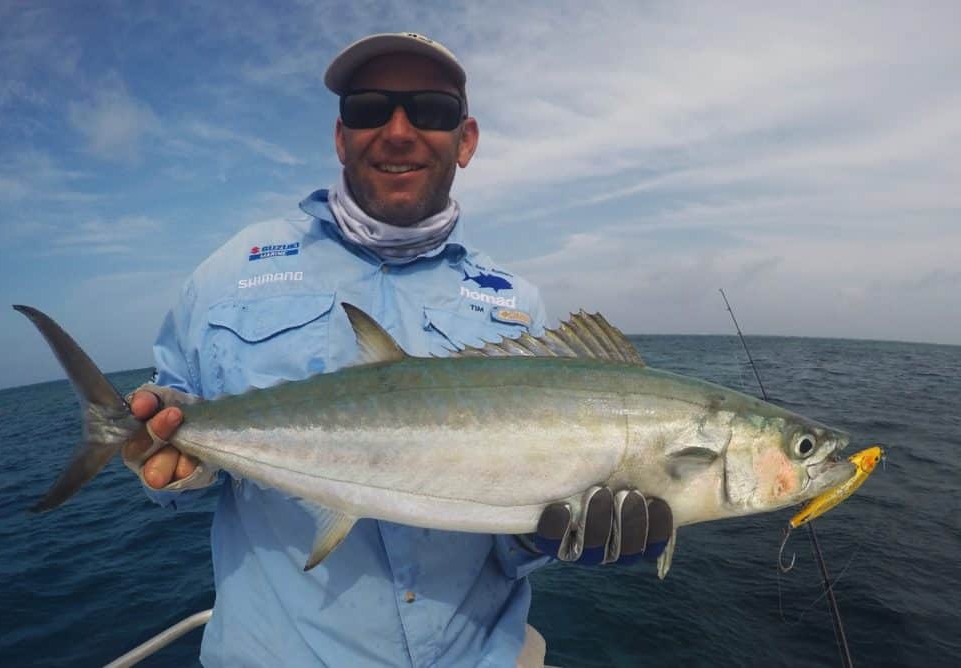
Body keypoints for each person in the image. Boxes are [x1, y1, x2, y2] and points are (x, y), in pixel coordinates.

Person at [123, 33, 671, 667]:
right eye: (370, 108)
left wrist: (560, 534)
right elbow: (175, 428)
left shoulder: (518, 306)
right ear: (340, 136)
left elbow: (512, 529)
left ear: (465, 140)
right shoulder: (229, 272)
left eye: (432, 110)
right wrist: (164, 449)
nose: (399, 131)